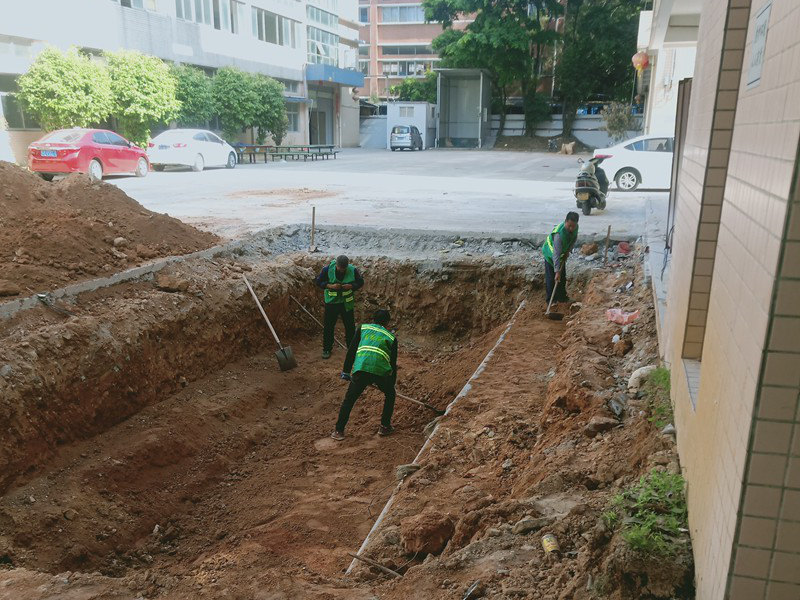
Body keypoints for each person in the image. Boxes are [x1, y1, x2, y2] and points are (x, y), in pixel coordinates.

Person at [331, 309, 398, 441]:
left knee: (349, 400)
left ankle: (339, 431)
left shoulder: (362, 328)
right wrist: (391, 384)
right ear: (387, 323)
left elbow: (351, 351)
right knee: (390, 394)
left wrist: (346, 371)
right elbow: (393, 363)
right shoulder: (391, 337)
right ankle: (384, 426)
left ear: (373, 319)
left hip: (361, 370)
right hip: (380, 372)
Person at [314, 255, 364, 359]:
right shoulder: (327, 270)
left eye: (344, 269)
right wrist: (330, 286)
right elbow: (318, 281)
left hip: (346, 303)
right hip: (332, 303)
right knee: (328, 327)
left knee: (350, 327)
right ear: (336, 265)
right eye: (340, 268)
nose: (342, 271)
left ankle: (351, 349)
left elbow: (360, 282)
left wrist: (352, 286)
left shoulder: (352, 270)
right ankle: (327, 349)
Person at [542, 212, 579, 305]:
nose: (571, 228)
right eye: (569, 226)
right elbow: (556, 255)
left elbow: (573, 239)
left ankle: (562, 298)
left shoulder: (575, 228)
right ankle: (551, 301)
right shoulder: (559, 235)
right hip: (550, 255)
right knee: (552, 279)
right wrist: (557, 271)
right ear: (565, 221)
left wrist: (568, 251)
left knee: (562, 278)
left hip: (561, 255)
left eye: (573, 226)